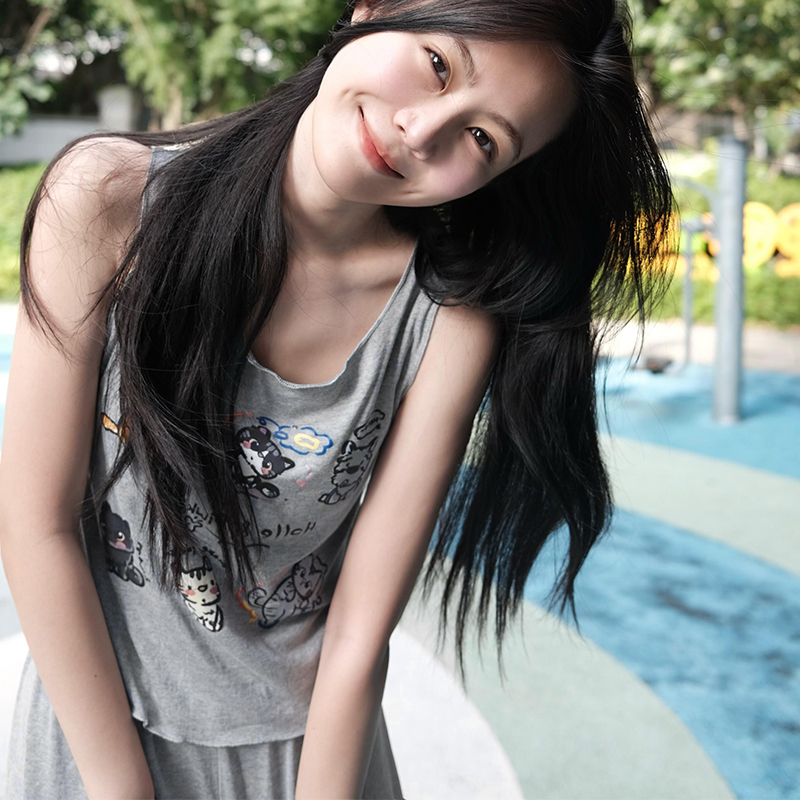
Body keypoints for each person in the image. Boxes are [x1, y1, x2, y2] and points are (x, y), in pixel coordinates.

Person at [0, 0, 675, 797]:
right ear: (374, 9)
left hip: (309, 755)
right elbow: (35, 524)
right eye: (437, 65)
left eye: (483, 139)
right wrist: (121, 788)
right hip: (96, 744)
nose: (421, 131)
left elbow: (358, 632)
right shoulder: (106, 199)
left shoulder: (446, 321)